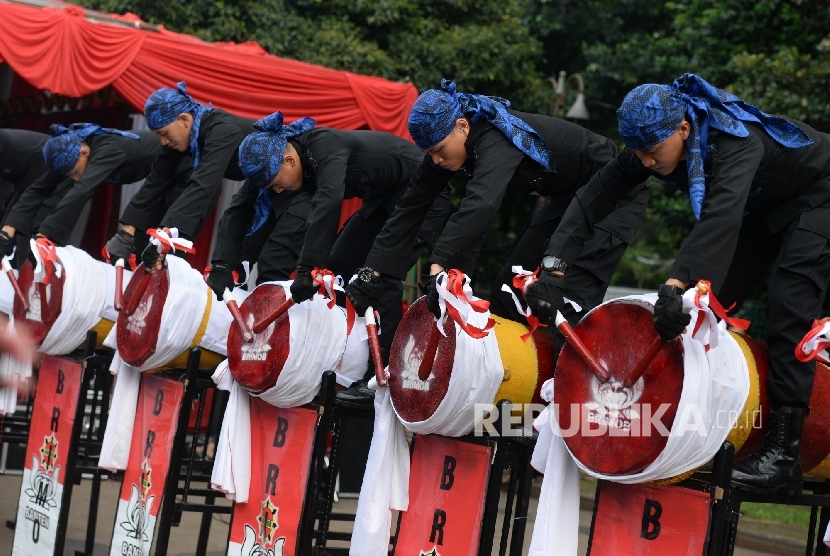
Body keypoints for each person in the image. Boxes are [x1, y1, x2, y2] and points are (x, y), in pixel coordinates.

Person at [536, 73, 830, 495]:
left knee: (788, 308)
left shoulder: (735, 140)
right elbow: (592, 199)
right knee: (703, 307)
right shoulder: (648, 149)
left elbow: (722, 215)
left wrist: (677, 283)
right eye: (637, 154)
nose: (646, 164)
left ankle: (784, 457)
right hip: (764, 208)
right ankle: (689, 425)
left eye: (653, 153)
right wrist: (552, 268)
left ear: (684, 129)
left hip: (818, 197)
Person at [346, 79, 648, 343]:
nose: (436, 160)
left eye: (439, 150)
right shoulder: (448, 148)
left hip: (614, 196)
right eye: (429, 154)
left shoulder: (496, 136)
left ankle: (563, 391)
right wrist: (372, 271)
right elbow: (411, 206)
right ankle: (513, 386)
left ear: (462, 126)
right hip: (567, 200)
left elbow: (482, 204)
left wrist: (439, 266)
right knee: (508, 289)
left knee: (563, 300)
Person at [232, 111, 452, 407]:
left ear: (288, 159)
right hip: (383, 202)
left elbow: (329, 199)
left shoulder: (324, 145)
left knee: (377, 277)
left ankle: (383, 374)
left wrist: (306, 268)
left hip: (425, 198)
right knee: (336, 270)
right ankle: (332, 356)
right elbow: (248, 210)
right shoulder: (296, 163)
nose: (279, 191)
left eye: (276, 184)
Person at [105, 82, 254, 267]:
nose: (163, 141)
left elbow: (204, 184)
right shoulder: (184, 138)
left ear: (184, 119)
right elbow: (155, 181)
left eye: (164, 133)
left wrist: (164, 237)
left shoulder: (221, 130)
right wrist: (125, 234)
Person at [1, 124, 182, 260]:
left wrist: (45, 235)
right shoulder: (74, 149)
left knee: (149, 245)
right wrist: (8, 228)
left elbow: (81, 191)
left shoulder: (107, 149)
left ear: (84, 153)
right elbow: (38, 189)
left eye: (74, 172)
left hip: (180, 170)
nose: (74, 177)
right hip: (155, 177)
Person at [0, 129, 72, 266]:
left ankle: (34, 282)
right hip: (29, 182)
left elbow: (23, 196)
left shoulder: (7, 145)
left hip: (54, 182)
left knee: (28, 240)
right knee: (6, 232)